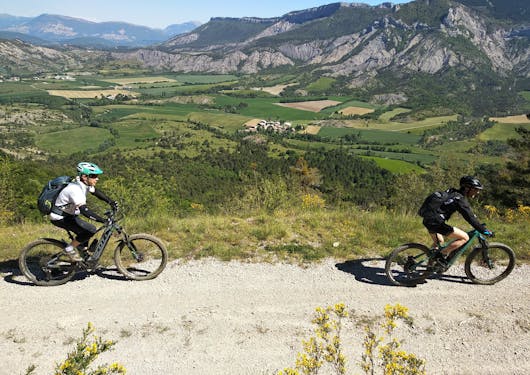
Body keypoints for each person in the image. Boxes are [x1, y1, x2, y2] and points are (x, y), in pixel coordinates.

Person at [418, 176, 492, 266]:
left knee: (440, 242)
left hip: (428, 220)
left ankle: (430, 265)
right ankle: (441, 255)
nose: (477, 192)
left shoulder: (452, 192)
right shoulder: (460, 199)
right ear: (467, 188)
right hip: (436, 223)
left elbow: (467, 212)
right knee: (464, 237)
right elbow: (470, 218)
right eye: (475, 189)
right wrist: (483, 230)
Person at [50, 162, 117, 262]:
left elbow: (96, 192)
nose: (97, 178)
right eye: (94, 176)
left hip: (69, 214)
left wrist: (110, 201)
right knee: (90, 230)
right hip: (60, 217)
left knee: (85, 232)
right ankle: (69, 249)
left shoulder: (83, 183)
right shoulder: (75, 189)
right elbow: (85, 211)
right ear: (85, 176)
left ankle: (83, 253)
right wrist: (102, 220)